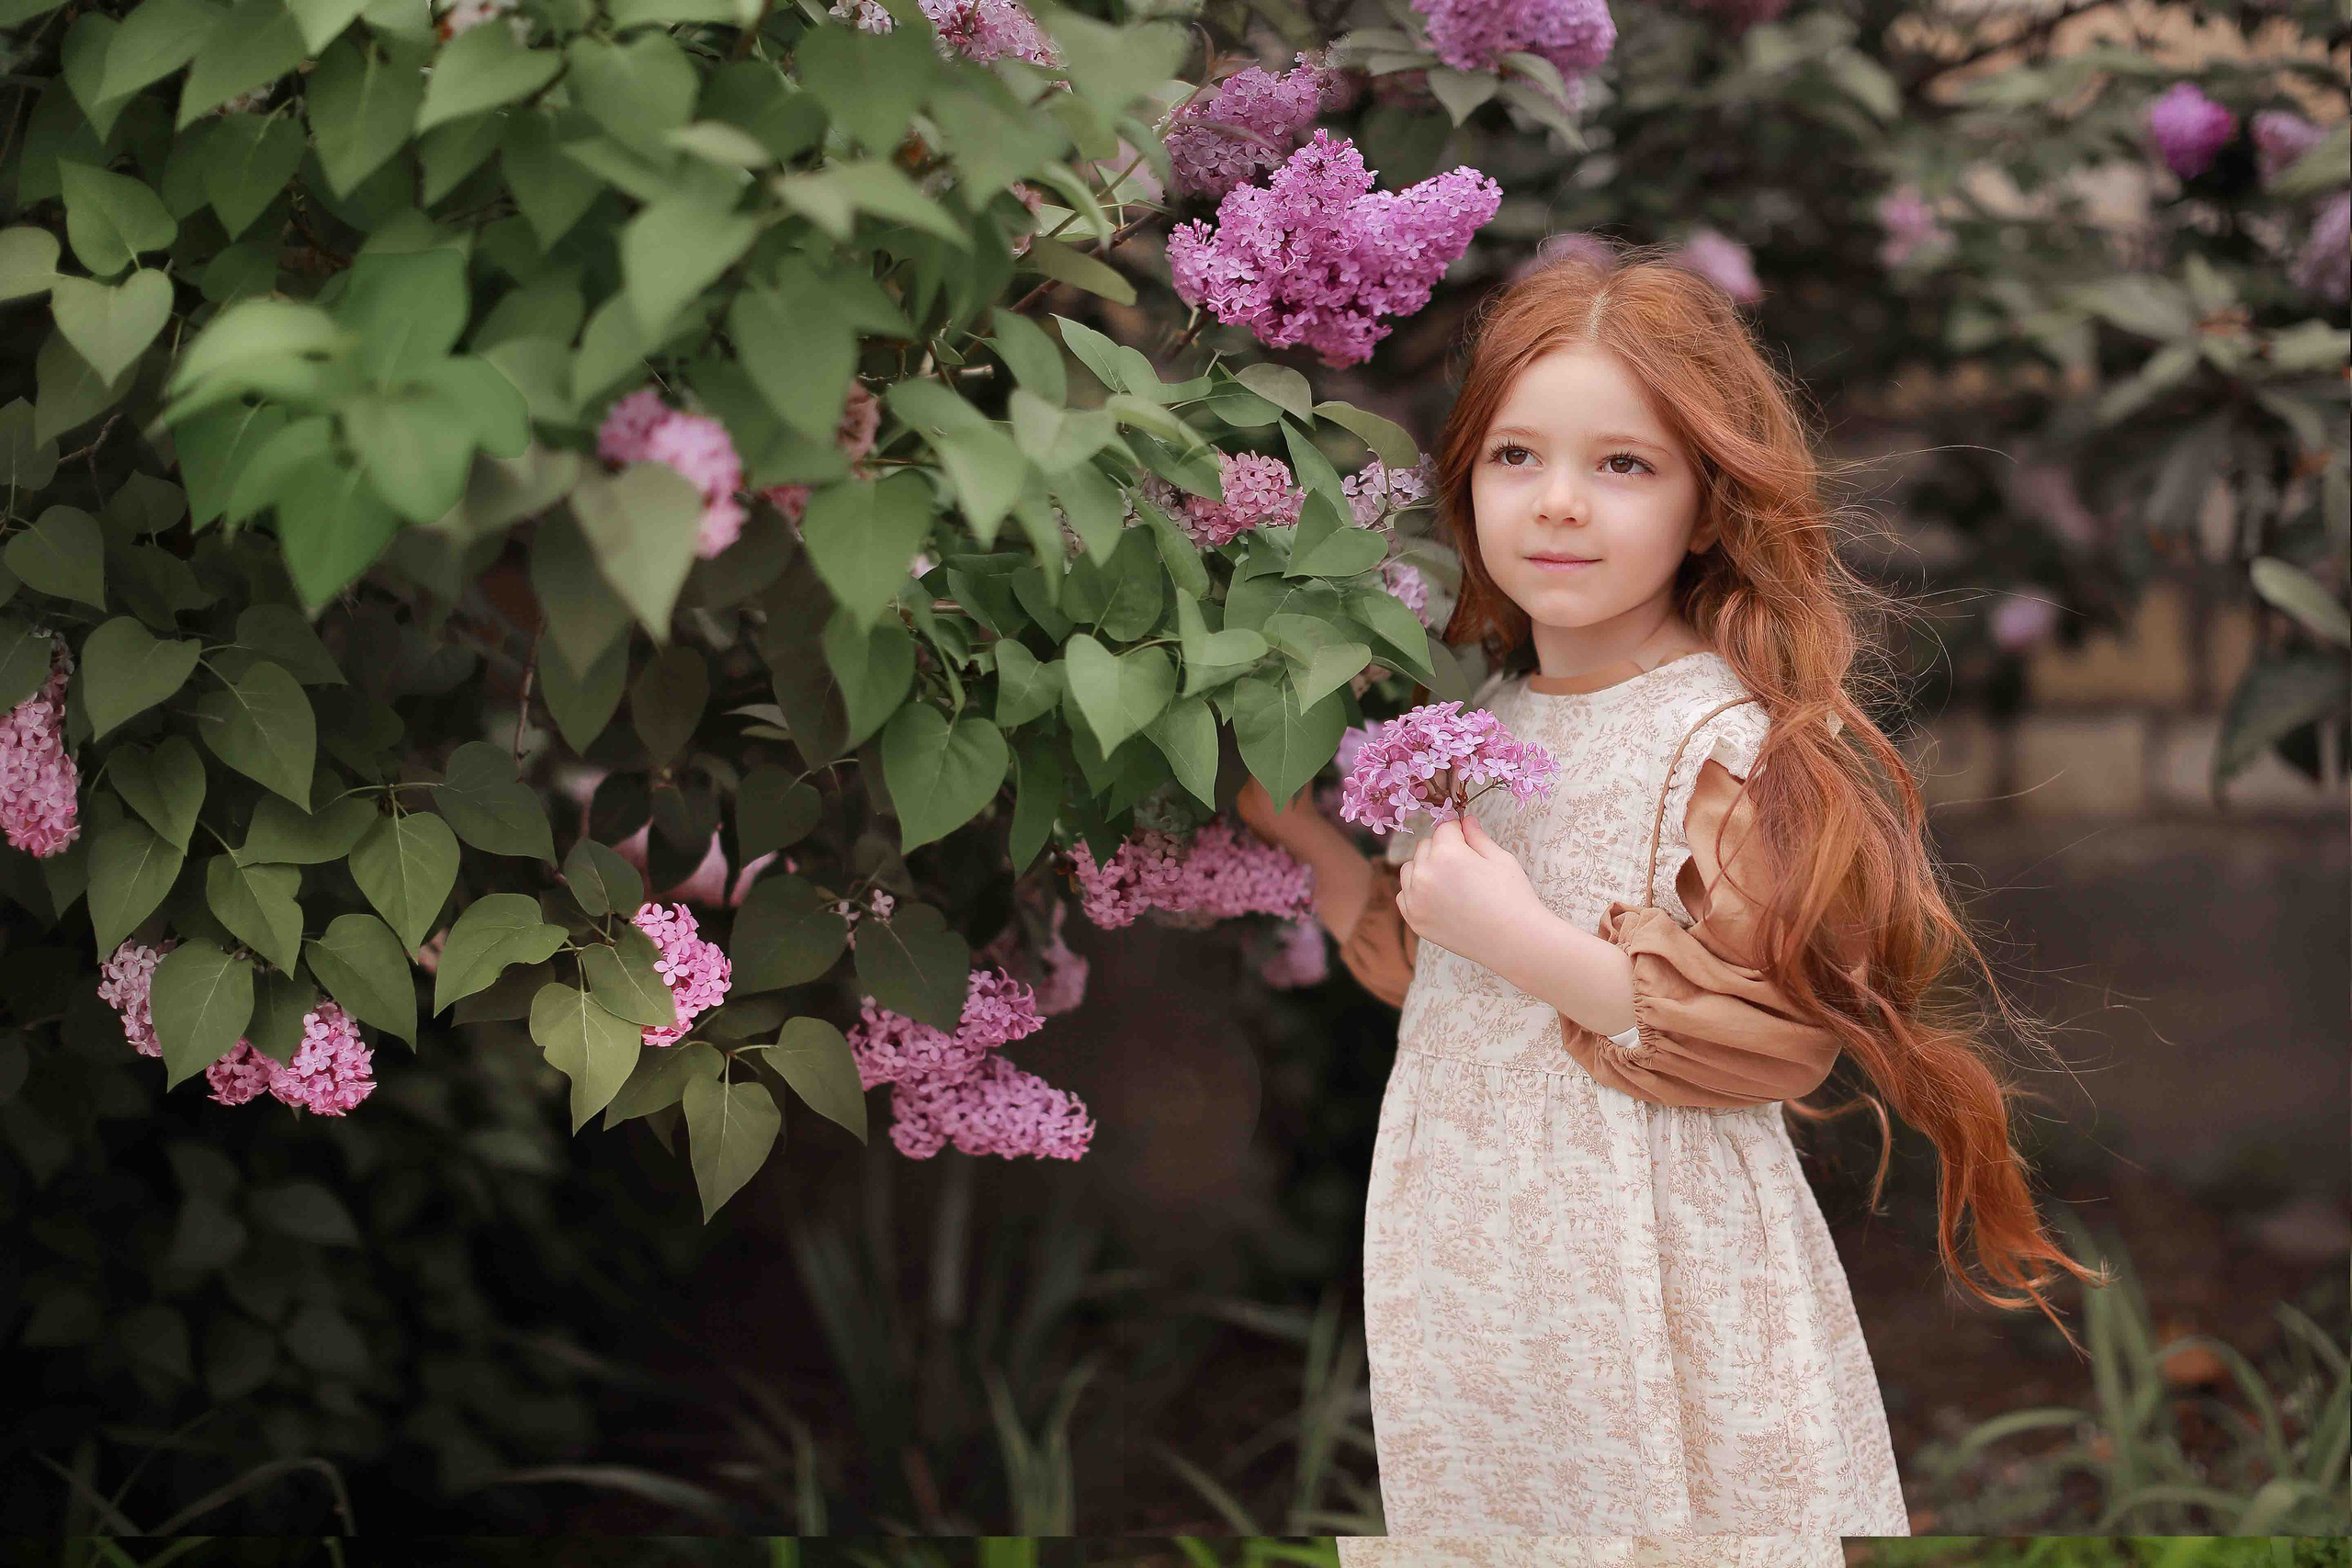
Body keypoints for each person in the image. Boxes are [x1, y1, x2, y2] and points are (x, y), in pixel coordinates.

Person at [1235, 243, 2101, 1566]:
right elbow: (1458, 989)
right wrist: (1322, 844)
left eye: (1622, 465)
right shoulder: (1488, 723)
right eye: (1517, 458)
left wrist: (1521, 936)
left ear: (1707, 505)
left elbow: (1773, 1040)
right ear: (1465, 485)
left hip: (1641, 1258)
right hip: (1474, 1242)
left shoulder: (1721, 744)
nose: (1560, 504)